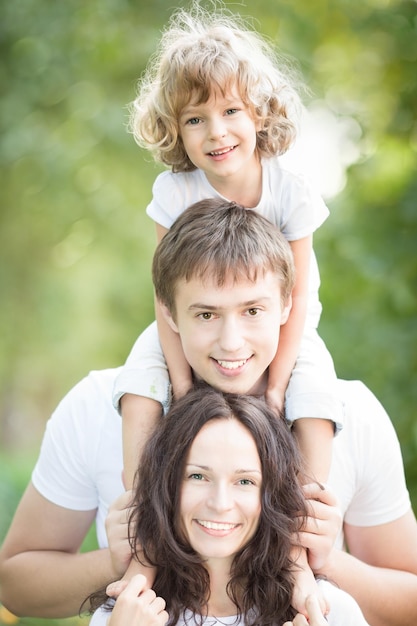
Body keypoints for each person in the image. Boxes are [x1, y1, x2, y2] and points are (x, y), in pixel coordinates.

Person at [0, 201, 417, 625]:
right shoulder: (95, 406)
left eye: (252, 311)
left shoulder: (352, 414)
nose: (231, 342)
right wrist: (118, 561)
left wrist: (325, 561)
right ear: (168, 311)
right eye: (206, 314)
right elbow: (16, 585)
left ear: (289, 306)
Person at [118, 2, 343, 493]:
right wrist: (179, 384)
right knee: (138, 374)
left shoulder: (290, 191)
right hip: (193, 319)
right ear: (175, 129)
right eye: (195, 120)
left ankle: (309, 507)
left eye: (231, 111)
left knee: (318, 391)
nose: (216, 132)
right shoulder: (175, 193)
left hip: (285, 323)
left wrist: (278, 386)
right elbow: (163, 294)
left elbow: (299, 296)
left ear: (258, 112)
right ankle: (136, 500)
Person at [86, 385, 369, 626]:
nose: (220, 504)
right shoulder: (125, 615)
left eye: (244, 481)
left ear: (272, 494)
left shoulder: (328, 612)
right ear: (166, 485)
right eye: (198, 476)